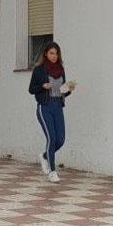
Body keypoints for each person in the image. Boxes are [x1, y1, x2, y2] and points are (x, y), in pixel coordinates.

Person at [28, 42, 76, 183]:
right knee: (52, 139)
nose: (54, 56)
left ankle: (44, 156)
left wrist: (68, 90)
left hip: (57, 106)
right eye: (51, 53)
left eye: (56, 53)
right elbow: (31, 89)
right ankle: (52, 171)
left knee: (60, 140)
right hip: (45, 107)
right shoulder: (39, 70)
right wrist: (42, 86)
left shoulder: (60, 69)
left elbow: (61, 92)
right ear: (46, 54)